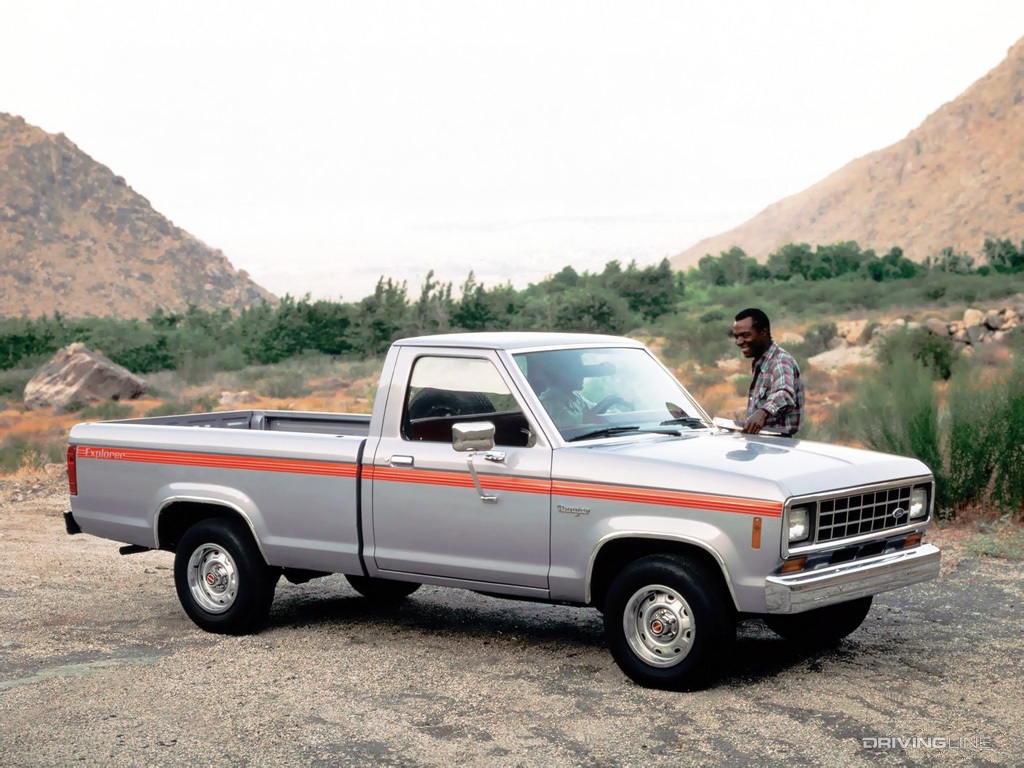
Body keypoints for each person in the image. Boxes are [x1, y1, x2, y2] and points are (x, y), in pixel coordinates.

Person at [732, 308, 804, 437]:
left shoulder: (780, 361)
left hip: (777, 446)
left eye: (745, 335)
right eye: (736, 337)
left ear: (763, 332)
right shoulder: (761, 362)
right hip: (761, 443)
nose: (739, 342)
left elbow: (785, 393)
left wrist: (763, 412)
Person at [525, 351, 595, 427]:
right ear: (563, 373)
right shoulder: (548, 403)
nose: (583, 375)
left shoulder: (575, 398)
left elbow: (597, 410)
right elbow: (573, 423)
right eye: (578, 370)